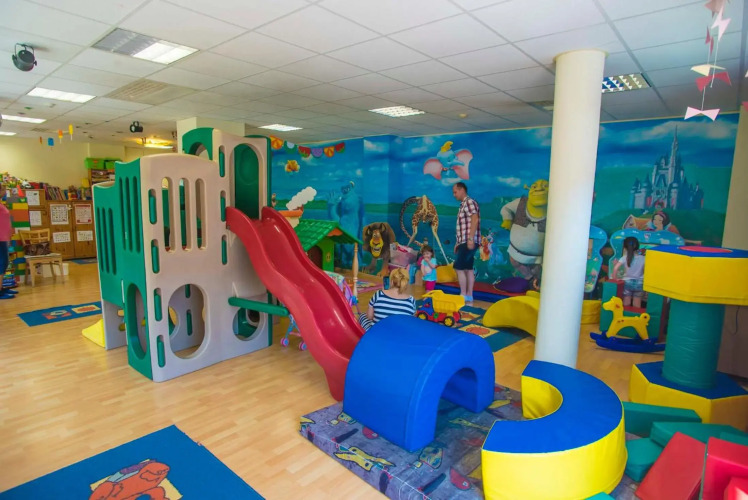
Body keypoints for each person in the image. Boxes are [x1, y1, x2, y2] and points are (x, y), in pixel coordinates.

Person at [452, 182, 480, 304]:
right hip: (464, 241)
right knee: (468, 268)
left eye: (455, 192)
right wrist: (457, 243)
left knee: (459, 268)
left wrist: (470, 239)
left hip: (468, 240)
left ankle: (463, 294)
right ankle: (469, 295)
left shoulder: (469, 202)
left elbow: (475, 219)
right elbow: (462, 227)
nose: (454, 195)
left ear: (462, 190)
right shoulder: (463, 205)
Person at [613, 237, 645, 308]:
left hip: (627, 282)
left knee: (626, 303)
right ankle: (635, 315)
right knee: (637, 305)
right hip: (640, 283)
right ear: (637, 246)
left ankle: (625, 315)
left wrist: (615, 279)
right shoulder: (643, 258)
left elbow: (615, 269)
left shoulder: (624, 258)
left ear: (625, 247)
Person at [0, 183, 16, 299]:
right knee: (1, 263)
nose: (5, 191)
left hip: (4, 238)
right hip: (0, 238)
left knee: (4, 263)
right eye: (3, 189)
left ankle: (2, 287)